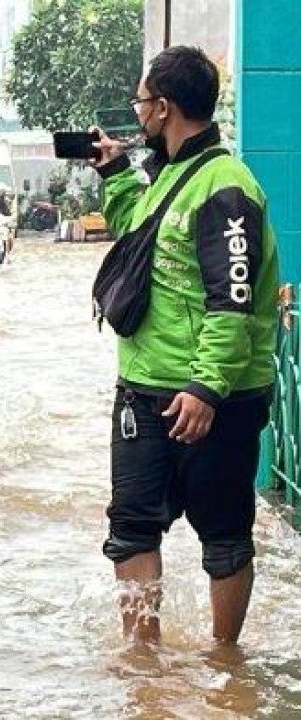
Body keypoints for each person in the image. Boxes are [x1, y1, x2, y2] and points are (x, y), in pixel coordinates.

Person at [91, 45, 279, 646]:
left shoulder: (226, 187)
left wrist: (206, 386)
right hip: (143, 392)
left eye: (142, 100)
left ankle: (227, 665)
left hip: (211, 398)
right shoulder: (168, 175)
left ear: (164, 107)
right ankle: (143, 667)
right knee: (132, 530)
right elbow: (137, 233)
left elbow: (236, 297)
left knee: (223, 536)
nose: (137, 109)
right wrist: (115, 172)